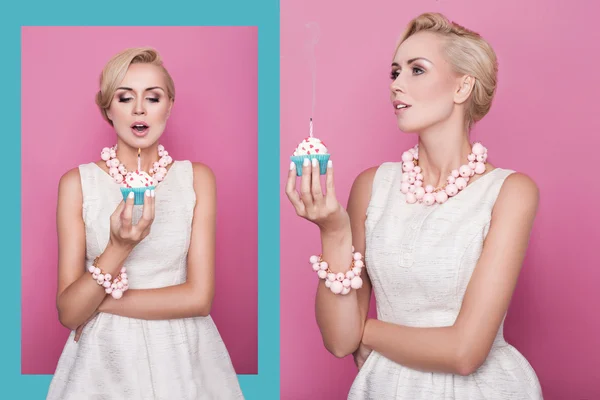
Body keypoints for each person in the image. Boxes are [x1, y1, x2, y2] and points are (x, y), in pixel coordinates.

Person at [285, 12, 543, 399]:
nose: (396, 86)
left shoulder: (509, 192)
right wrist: (334, 231)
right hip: (387, 388)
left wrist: (365, 330)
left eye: (416, 71)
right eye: (394, 73)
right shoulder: (372, 187)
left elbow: (465, 352)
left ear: (462, 87)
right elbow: (339, 341)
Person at [47, 47, 244, 399]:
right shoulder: (77, 184)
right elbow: (68, 313)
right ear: (107, 108)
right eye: (125, 98)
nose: (139, 109)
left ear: (169, 104)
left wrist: (97, 302)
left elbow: (199, 299)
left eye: (152, 98)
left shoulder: (196, 179)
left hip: (183, 353)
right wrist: (119, 247)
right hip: (103, 360)